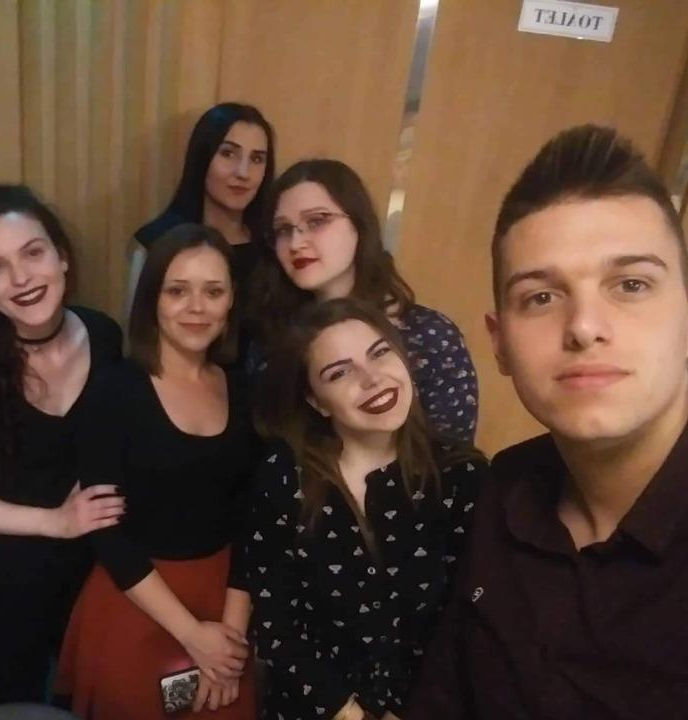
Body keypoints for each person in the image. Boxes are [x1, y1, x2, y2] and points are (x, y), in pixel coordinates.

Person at [407, 125, 688, 719]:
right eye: (541, 297)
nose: (585, 326)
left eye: (631, 285)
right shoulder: (506, 486)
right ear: (500, 343)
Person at [0, 184, 126, 707]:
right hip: (5, 576)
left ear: (61, 257)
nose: (21, 278)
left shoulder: (105, 336)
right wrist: (54, 522)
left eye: (33, 253)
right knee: (15, 709)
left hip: (93, 569)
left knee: (92, 701)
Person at [236, 297, 486, 720]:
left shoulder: (463, 476)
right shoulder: (283, 474)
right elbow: (275, 620)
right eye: (339, 372)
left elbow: (467, 620)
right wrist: (349, 714)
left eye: (380, 352)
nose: (372, 379)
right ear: (316, 401)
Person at [57, 224, 259, 719]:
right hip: (139, 596)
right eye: (177, 290)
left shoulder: (244, 391)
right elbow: (106, 531)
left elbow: (253, 518)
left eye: (213, 291)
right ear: (152, 299)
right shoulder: (114, 390)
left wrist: (228, 645)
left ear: (232, 301)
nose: (197, 307)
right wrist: (192, 635)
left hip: (225, 597)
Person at [250, 159, 478, 443]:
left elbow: (453, 455)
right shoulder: (272, 338)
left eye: (317, 221)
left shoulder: (430, 335)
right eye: (283, 230)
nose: (296, 243)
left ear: (358, 224)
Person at [128, 102, 277, 365]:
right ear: (202, 158)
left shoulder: (273, 246)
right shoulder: (156, 242)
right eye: (228, 154)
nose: (243, 173)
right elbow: (138, 340)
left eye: (256, 159)